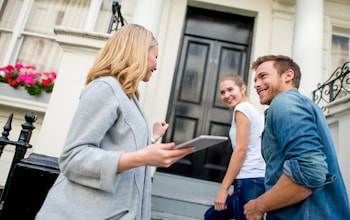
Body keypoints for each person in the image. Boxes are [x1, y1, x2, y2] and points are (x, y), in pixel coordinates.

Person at [35, 24, 193, 220]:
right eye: (156, 57)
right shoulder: (104, 88)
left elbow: (119, 148)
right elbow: (72, 157)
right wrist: (142, 158)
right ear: (138, 53)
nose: (156, 65)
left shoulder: (128, 96)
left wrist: (152, 138)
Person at [244, 55, 350, 220]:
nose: (256, 84)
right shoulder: (300, 104)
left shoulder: (285, 103)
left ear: (288, 75)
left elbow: (310, 171)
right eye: (255, 79)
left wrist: (258, 206)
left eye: (263, 76)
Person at [205, 74, 265, 220]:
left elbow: (241, 150)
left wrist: (223, 189)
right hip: (251, 179)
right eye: (222, 92)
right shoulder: (253, 110)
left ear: (242, 88)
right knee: (212, 215)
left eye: (230, 89)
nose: (226, 95)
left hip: (250, 179)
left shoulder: (242, 109)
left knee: (213, 216)